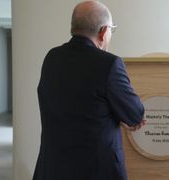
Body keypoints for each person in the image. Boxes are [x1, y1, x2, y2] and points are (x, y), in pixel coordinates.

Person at [33, 1, 146, 180]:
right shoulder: (109, 64)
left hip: (53, 168)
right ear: (103, 31)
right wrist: (121, 115)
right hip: (96, 171)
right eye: (111, 30)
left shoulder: (51, 58)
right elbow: (135, 115)